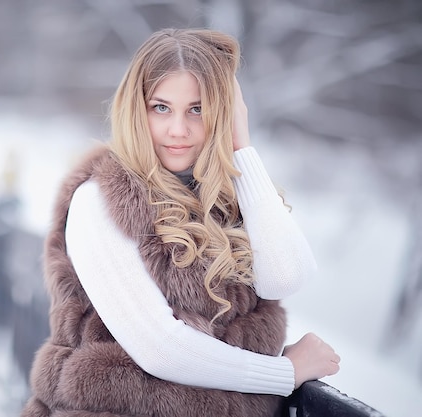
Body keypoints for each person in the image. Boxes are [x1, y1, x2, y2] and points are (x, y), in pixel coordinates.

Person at [21, 28, 340, 417]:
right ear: (136, 109)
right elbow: (160, 348)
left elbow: (286, 277)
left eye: (198, 109)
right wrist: (285, 373)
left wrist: (241, 145)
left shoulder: (226, 199)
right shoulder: (101, 199)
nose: (178, 129)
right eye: (161, 108)